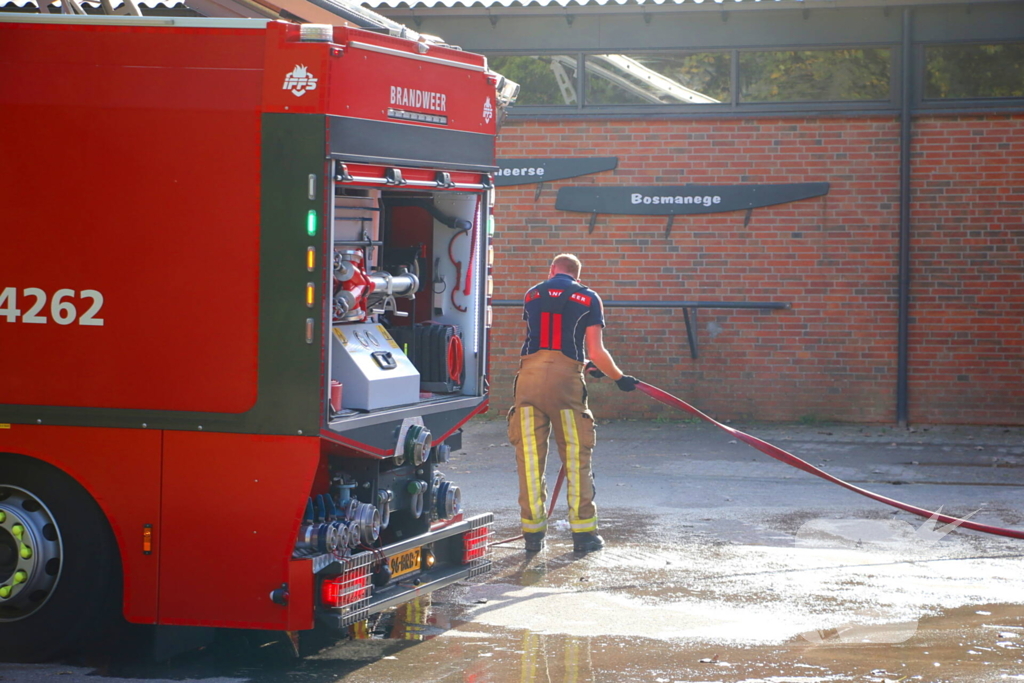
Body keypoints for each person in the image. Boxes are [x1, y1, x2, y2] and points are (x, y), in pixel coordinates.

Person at [508, 253, 638, 554]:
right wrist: (619, 377)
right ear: (577, 274)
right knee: (576, 458)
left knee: (529, 459)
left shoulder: (532, 294)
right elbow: (595, 349)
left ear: (551, 270)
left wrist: (584, 363)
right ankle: (584, 535)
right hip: (566, 384)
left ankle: (533, 536)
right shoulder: (588, 297)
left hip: (527, 381)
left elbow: (543, 338)